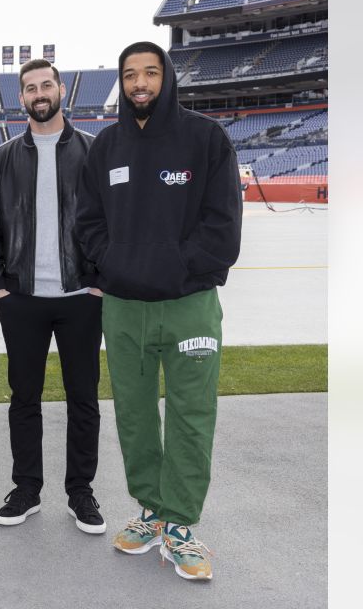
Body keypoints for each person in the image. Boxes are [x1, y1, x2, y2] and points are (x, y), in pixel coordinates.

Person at [75, 42, 242, 581]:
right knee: (135, 414)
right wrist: (115, 266)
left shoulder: (206, 139)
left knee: (193, 416)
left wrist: (174, 270)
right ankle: (151, 509)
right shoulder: (106, 146)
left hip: (189, 305)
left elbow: (222, 227)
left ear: (166, 78)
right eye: (130, 75)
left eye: (150, 73)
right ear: (122, 84)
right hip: (124, 308)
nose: (140, 83)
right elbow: (88, 222)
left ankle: (182, 525)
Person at [0, 58, 105, 534]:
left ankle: (81, 492)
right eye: (29, 87)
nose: (38, 93)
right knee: (23, 397)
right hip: (22, 298)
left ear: (61, 90)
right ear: (21, 97)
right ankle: (27, 488)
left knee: (83, 398)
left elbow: (110, 222)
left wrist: (100, 283)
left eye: (45, 84)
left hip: (81, 296)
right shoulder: (3, 158)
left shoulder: (94, 151)